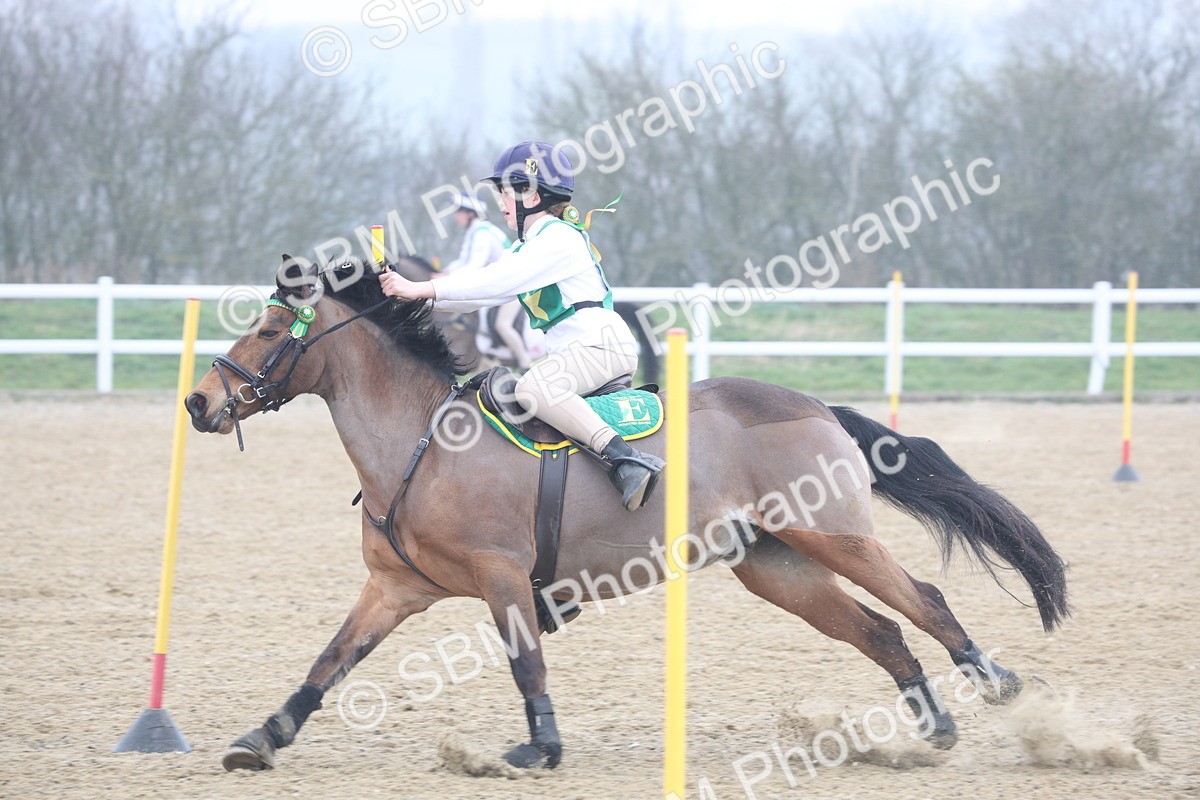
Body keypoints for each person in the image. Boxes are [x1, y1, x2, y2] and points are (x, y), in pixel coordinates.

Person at [379, 141, 664, 511]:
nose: (499, 203)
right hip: (581, 351)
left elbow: (496, 283)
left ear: (530, 195)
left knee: (532, 388)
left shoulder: (558, 238)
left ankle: (627, 460)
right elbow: (482, 293)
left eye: (504, 192)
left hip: (600, 348)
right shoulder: (528, 246)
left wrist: (421, 287)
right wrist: (414, 295)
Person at [441, 192, 533, 369]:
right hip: (501, 284)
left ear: (470, 213)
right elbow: (463, 261)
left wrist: (448, 278)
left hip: (514, 284)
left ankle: (525, 362)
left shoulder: (482, 232)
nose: (456, 216)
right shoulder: (475, 231)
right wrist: (446, 272)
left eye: (459, 211)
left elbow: (475, 265)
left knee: (502, 325)